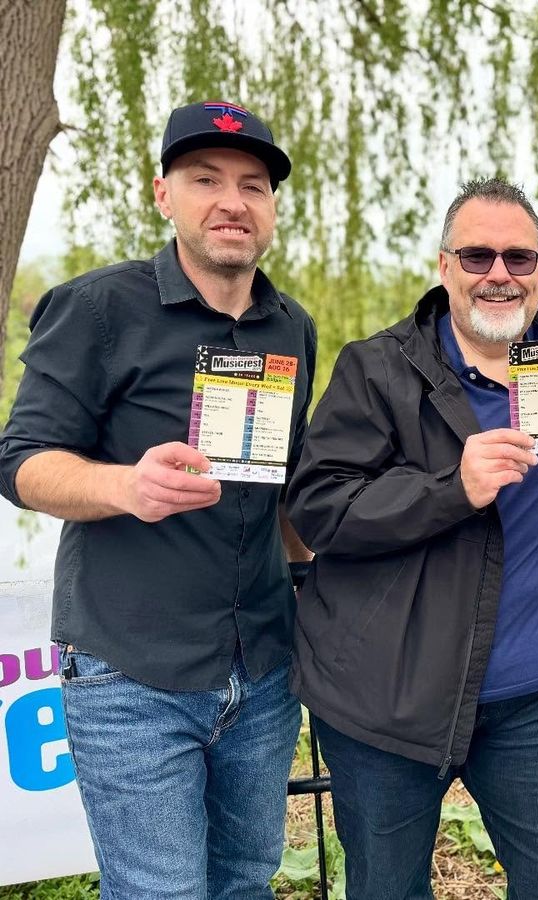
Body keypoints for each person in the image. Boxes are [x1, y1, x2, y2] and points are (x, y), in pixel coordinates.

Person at [0, 101, 315, 898]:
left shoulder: (293, 329)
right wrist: (125, 486)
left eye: (253, 184)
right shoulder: (99, 307)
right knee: (160, 893)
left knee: (246, 881)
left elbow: (290, 493)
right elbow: (20, 462)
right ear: (163, 194)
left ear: (272, 208)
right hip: (131, 672)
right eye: (205, 179)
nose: (232, 201)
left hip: (266, 671)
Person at [286, 178, 538, 898]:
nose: (499, 275)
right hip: (386, 702)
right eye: (478, 255)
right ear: (444, 265)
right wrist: (450, 489)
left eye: (519, 258)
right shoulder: (376, 368)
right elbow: (317, 505)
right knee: (387, 890)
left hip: (534, 697)